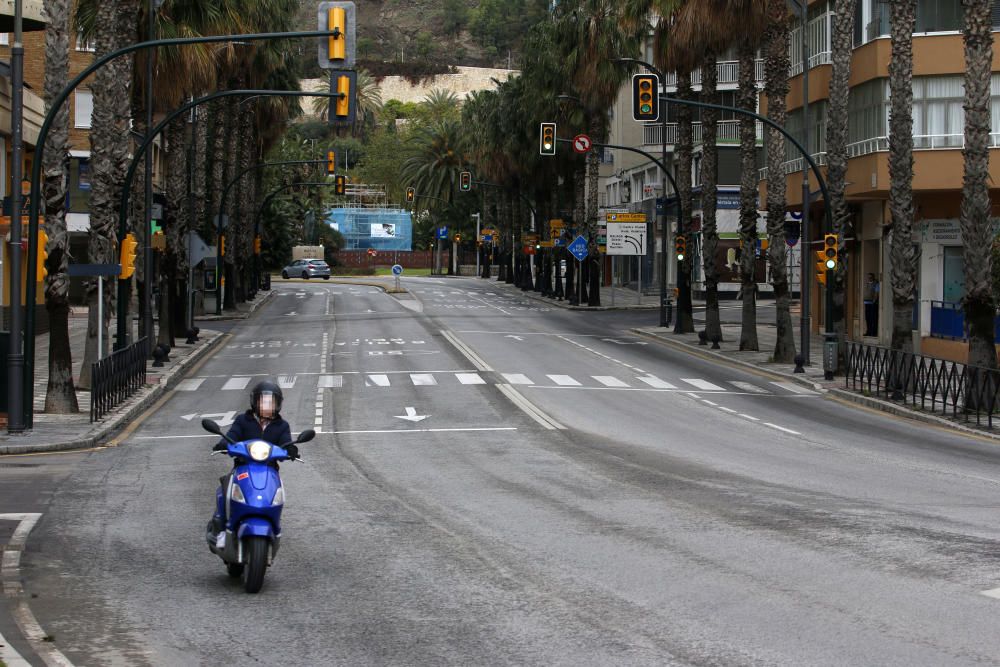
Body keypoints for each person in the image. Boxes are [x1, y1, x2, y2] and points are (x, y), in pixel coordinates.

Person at [209, 381, 296, 536]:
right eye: (263, 401)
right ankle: (221, 528)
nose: (267, 406)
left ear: (278, 404)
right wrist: (223, 443)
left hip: (269, 470)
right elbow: (232, 435)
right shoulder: (243, 420)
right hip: (243, 467)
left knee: (276, 494)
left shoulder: (282, 426)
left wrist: (291, 449)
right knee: (225, 488)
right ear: (255, 402)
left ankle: (274, 526)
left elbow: (285, 441)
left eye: (271, 402)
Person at [863, 273, 880, 337]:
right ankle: (868, 332)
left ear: (873, 277)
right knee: (867, 318)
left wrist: (874, 301)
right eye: (868, 277)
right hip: (866, 303)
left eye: (870, 277)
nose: (869, 278)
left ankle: (874, 332)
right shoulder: (867, 284)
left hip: (873, 304)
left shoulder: (876, 284)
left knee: (873, 318)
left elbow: (876, 293)